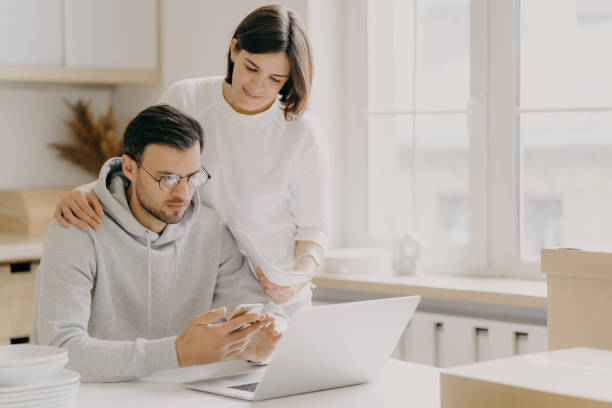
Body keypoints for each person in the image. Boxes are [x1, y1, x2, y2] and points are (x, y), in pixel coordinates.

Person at [53, 5, 330, 315]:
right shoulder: (187, 99)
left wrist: (297, 278)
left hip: (276, 300)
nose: (257, 86)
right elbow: (144, 169)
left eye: (275, 79)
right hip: (195, 292)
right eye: (251, 68)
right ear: (234, 48)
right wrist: (90, 192)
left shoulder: (300, 132)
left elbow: (314, 228)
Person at [33, 105, 287, 382]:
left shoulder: (210, 228)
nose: (183, 193)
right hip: (94, 396)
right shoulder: (77, 228)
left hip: (179, 395)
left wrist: (261, 347)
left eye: (192, 177)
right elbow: (61, 351)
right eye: (167, 179)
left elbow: (265, 313)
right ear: (129, 167)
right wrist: (177, 353)